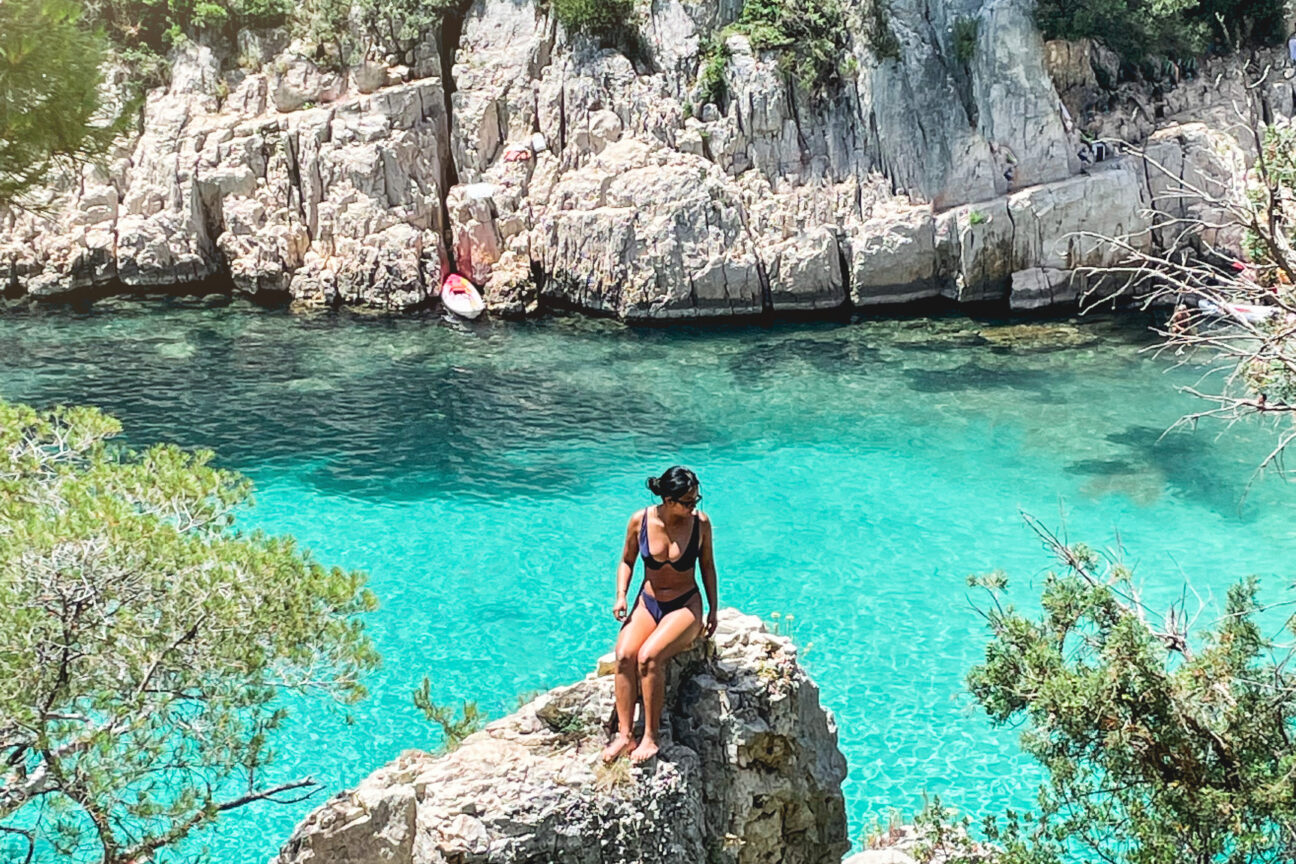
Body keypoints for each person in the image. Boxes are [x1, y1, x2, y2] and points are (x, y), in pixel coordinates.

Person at [602, 466, 718, 764]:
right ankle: (625, 735)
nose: (694, 507)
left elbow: (707, 566)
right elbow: (627, 561)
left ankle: (651, 737)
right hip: (648, 601)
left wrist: (713, 609)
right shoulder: (640, 521)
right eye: (688, 502)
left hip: (685, 605)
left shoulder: (700, 524)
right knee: (625, 654)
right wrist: (621, 596)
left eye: (696, 500)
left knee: (649, 657)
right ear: (669, 499)